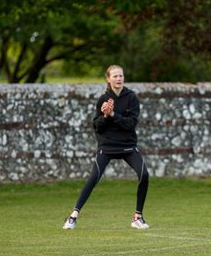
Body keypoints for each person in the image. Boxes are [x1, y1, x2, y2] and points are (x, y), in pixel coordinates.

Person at [62, 65, 150, 230]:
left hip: (128, 146)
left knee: (144, 174)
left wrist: (113, 115)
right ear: (108, 79)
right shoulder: (103, 99)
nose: (119, 79)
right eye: (115, 76)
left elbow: (130, 125)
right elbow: (97, 127)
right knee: (94, 178)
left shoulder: (131, 98)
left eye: (121, 76)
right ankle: (73, 217)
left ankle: (138, 217)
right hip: (107, 146)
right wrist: (104, 116)